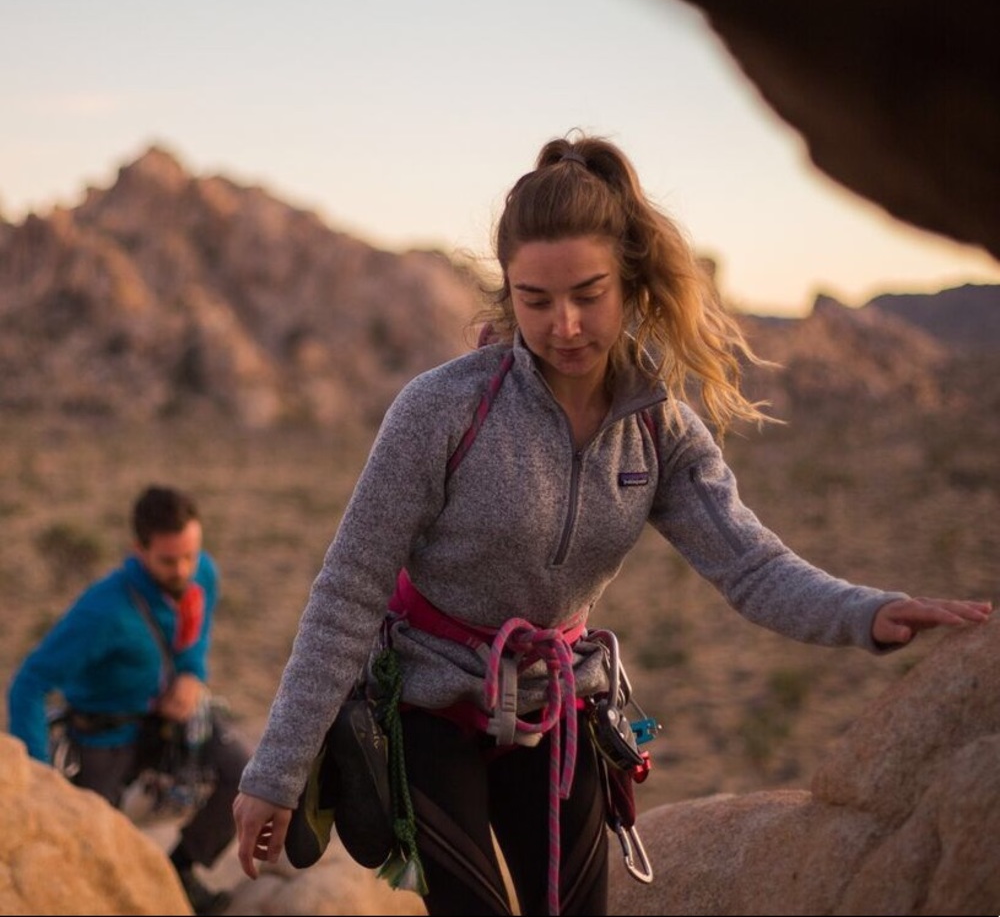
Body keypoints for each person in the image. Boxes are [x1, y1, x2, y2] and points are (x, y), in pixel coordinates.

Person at [232, 133, 992, 916]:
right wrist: (275, 774)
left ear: (628, 282)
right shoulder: (443, 410)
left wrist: (869, 611)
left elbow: (752, 566)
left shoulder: (658, 430)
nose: (563, 325)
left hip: (557, 705)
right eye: (535, 300)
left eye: (588, 294)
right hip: (426, 705)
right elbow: (348, 592)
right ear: (507, 291)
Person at [8, 485, 249, 916]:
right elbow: (29, 683)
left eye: (190, 555)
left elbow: (195, 633)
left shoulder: (203, 574)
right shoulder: (103, 612)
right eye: (168, 560)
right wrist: (39, 784)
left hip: (170, 725)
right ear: (138, 550)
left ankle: (179, 873)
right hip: (106, 739)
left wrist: (192, 674)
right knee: (89, 850)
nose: (183, 570)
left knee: (247, 777)